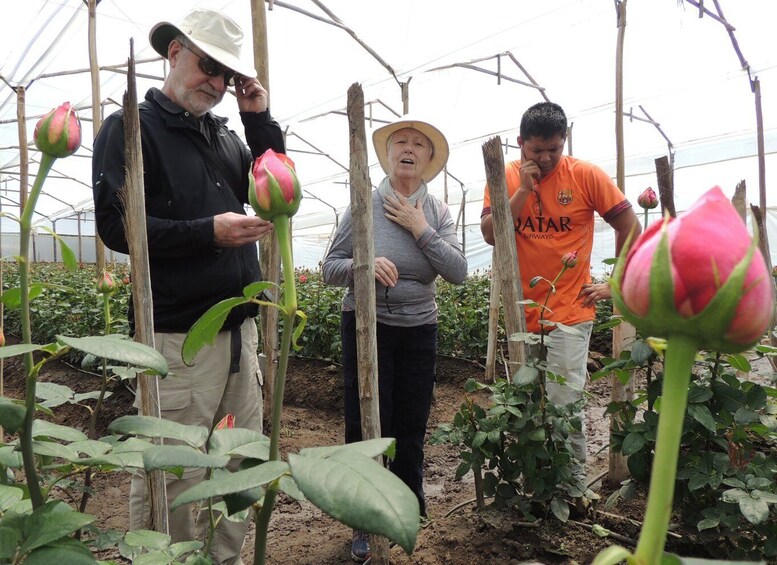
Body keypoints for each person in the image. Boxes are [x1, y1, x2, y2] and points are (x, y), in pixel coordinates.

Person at [92, 9, 285, 564]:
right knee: (171, 467)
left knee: (239, 463)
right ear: (174, 53)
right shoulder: (131, 128)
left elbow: (273, 180)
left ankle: (221, 560)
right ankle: (166, 559)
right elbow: (115, 227)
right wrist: (209, 233)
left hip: (238, 336)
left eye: (228, 75)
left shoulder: (224, 137)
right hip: (177, 339)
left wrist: (258, 117)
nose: (219, 84)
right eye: (209, 67)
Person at [322, 116, 467, 562]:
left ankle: (407, 506)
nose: (408, 149)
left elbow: (459, 273)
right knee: (366, 423)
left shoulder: (438, 212)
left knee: (411, 422)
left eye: (418, 144)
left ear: (428, 160)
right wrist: (363, 265)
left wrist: (418, 227)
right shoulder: (362, 206)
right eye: (399, 142)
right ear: (386, 156)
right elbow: (329, 267)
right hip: (367, 327)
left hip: (419, 329)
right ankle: (363, 519)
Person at [479, 101, 641, 480]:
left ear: (564, 140)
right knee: (526, 407)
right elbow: (491, 234)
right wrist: (522, 191)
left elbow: (629, 225)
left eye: (554, 148)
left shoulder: (585, 176)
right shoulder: (503, 176)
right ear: (520, 143)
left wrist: (617, 282)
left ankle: (572, 486)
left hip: (570, 311)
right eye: (537, 150)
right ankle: (534, 486)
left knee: (564, 404)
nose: (547, 157)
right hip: (522, 313)